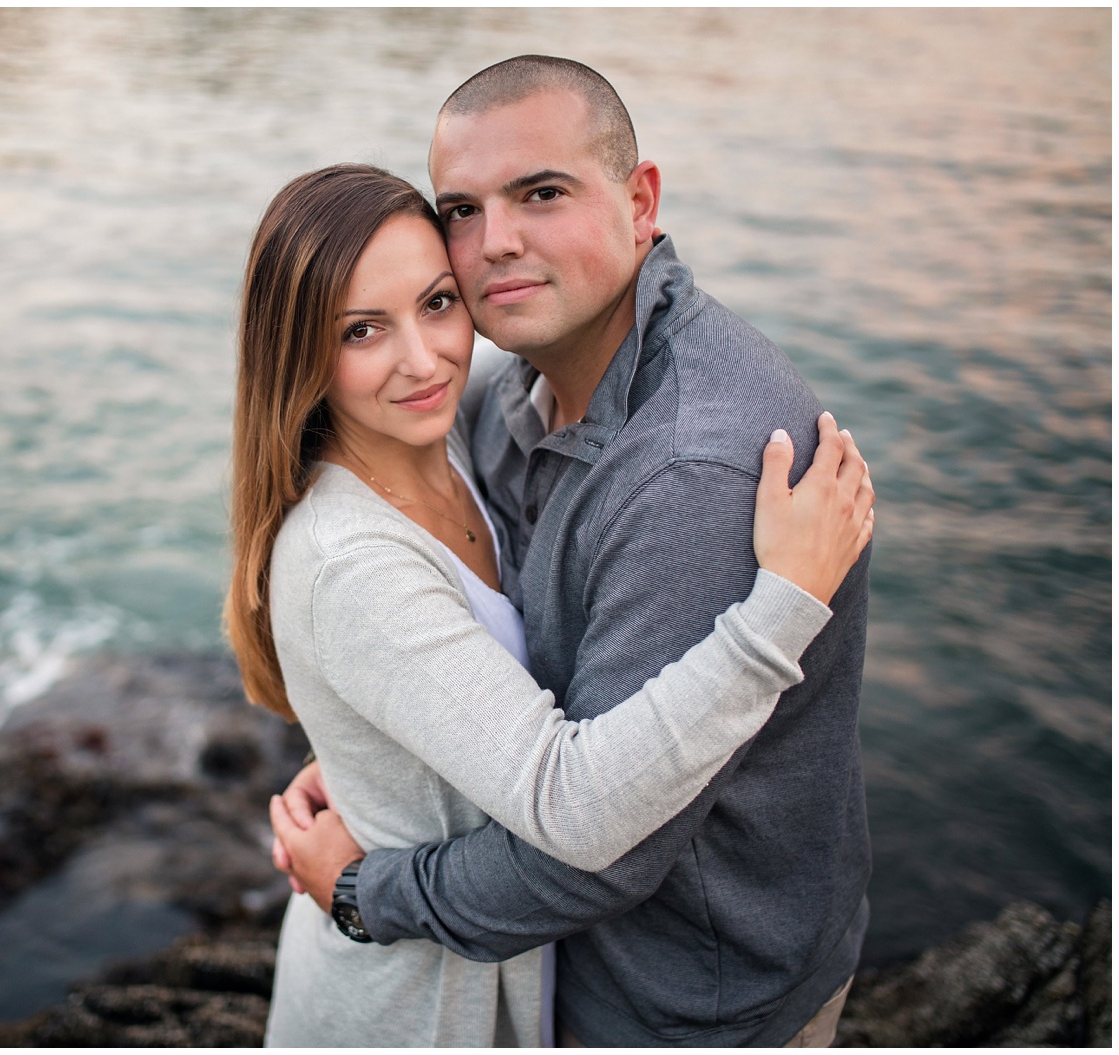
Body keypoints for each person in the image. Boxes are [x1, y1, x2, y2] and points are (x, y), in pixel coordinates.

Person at [271, 57, 875, 1048]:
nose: (494, 242)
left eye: (540, 193)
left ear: (639, 202)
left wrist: (368, 889)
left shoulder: (695, 473)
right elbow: (414, 615)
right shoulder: (512, 393)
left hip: (689, 997)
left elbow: (599, 841)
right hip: (578, 974)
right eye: (461, 209)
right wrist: (377, 743)